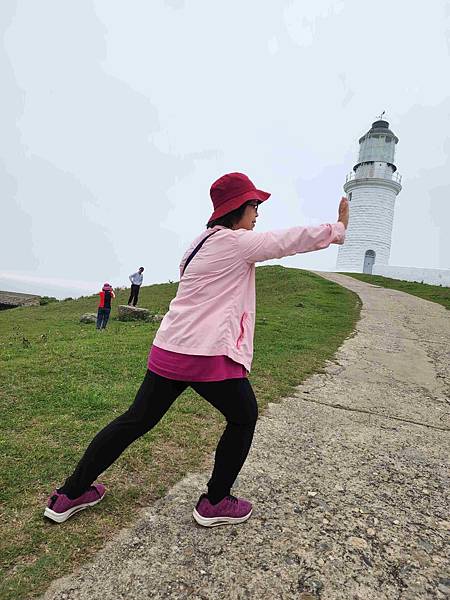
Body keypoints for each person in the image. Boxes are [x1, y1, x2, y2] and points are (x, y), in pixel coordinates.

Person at [44, 172, 348, 526]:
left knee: (135, 420)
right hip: (203, 355)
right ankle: (216, 501)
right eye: (254, 205)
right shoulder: (236, 243)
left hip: (169, 349)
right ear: (236, 208)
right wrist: (338, 228)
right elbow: (290, 240)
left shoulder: (197, 244)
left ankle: (71, 493)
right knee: (243, 416)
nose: (258, 213)